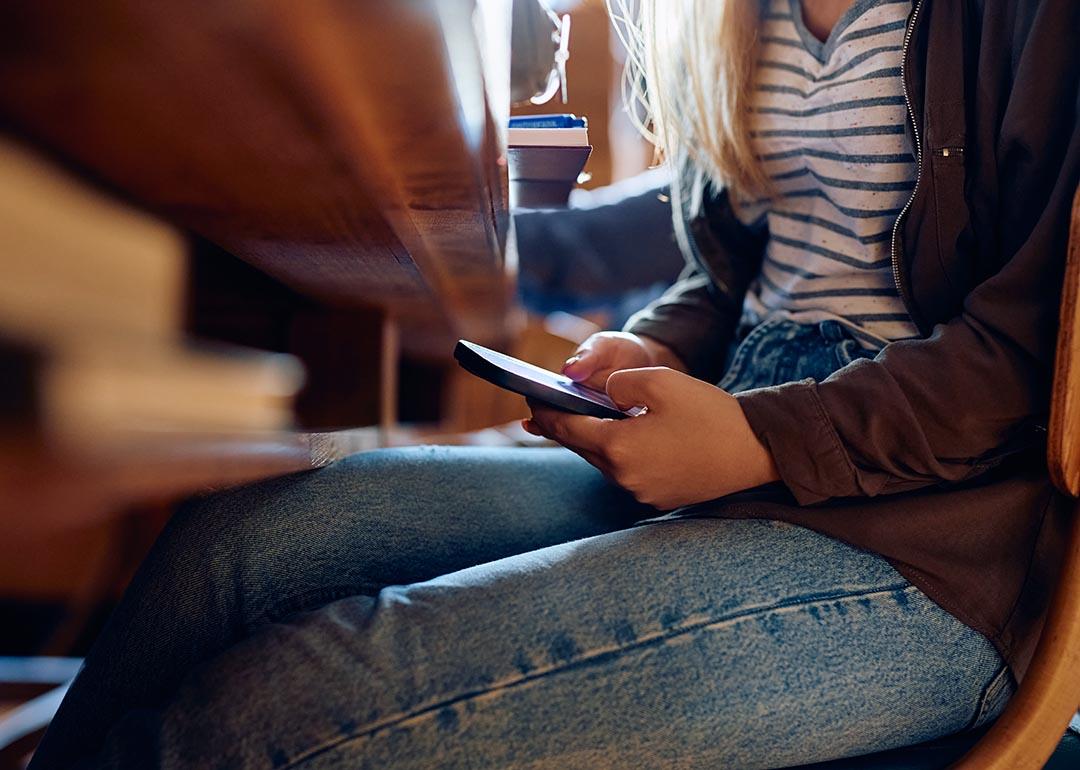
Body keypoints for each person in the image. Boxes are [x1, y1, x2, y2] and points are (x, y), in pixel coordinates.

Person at [30, 0, 1080, 767]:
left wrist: (762, 438)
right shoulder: (735, 21)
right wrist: (658, 346)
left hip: (929, 547)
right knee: (235, 542)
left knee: (271, 713)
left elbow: (1026, 353)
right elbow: (728, 270)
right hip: (744, 444)